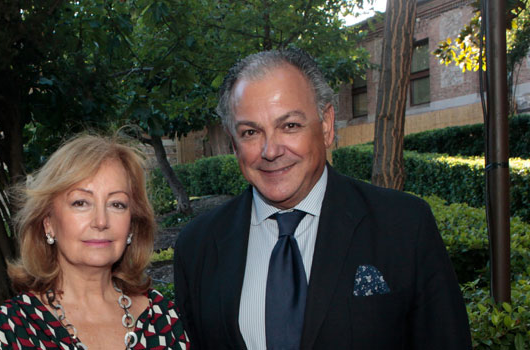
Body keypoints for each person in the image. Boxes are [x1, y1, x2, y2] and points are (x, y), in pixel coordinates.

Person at [173, 49, 471, 349]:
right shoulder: (197, 247)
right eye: (251, 132)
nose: (271, 150)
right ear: (233, 143)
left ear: (326, 125)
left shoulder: (405, 226)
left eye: (289, 126)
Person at [0, 135, 190, 349]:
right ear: (48, 223)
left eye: (117, 204)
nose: (101, 221)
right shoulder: (13, 329)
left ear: (132, 225)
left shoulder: (163, 320)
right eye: (81, 202)